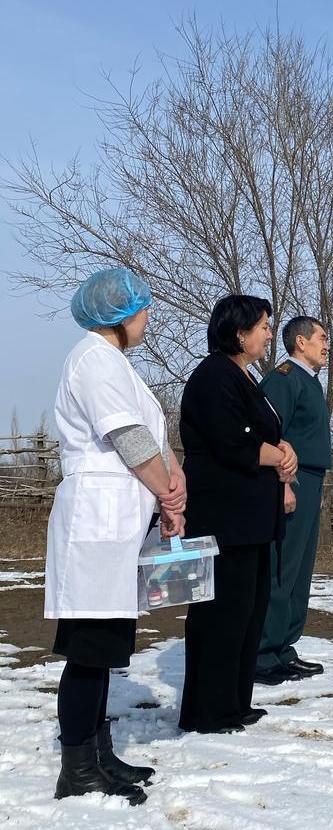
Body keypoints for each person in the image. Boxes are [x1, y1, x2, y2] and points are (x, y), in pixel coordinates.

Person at [45, 268, 186, 805]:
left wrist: (174, 484)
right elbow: (127, 437)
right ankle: (77, 767)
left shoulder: (116, 363)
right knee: (89, 651)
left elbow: (152, 434)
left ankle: (99, 754)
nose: (148, 318)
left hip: (120, 522)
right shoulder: (93, 360)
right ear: (120, 314)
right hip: (95, 522)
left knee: (105, 649)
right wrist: (169, 496)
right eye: (143, 309)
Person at [177, 295, 297, 734]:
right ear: (239, 333)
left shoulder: (244, 376)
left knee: (248, 611)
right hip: (224, 519)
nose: (269, 334)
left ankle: (234, 701)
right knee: (222, 614)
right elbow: (232, 440)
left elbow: (266, 433)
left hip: (251, 520)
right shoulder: (213, 376)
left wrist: (284, 451)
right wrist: (278, 457)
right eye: (263, 326)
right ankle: (208, 711)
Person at [255, 316, 332, 685]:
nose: (327, 344)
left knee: (299, 571)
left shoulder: (309, 381)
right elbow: (270, 435)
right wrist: (284, 485)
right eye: (322, 337)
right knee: (281, 568)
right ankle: (262, 653)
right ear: (301, 342)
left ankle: (284, 648)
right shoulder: (284, 379)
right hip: (291, 480)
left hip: (310, 482)